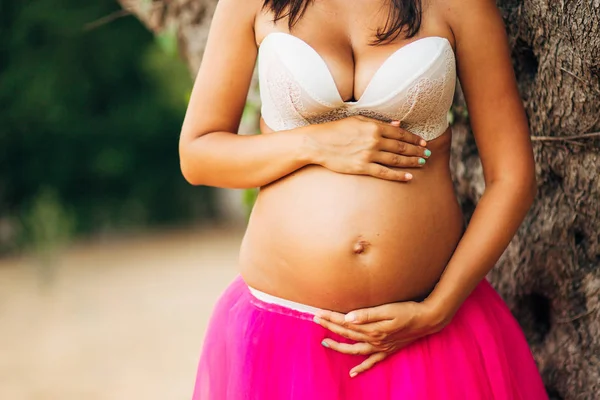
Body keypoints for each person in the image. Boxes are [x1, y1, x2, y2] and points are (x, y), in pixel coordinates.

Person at [180, 0, 550, 398]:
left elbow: (511, 177)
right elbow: (199, 155)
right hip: (283, 342)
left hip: (424, 330)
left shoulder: (459, 5)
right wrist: (315, 143)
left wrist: (437, 309)